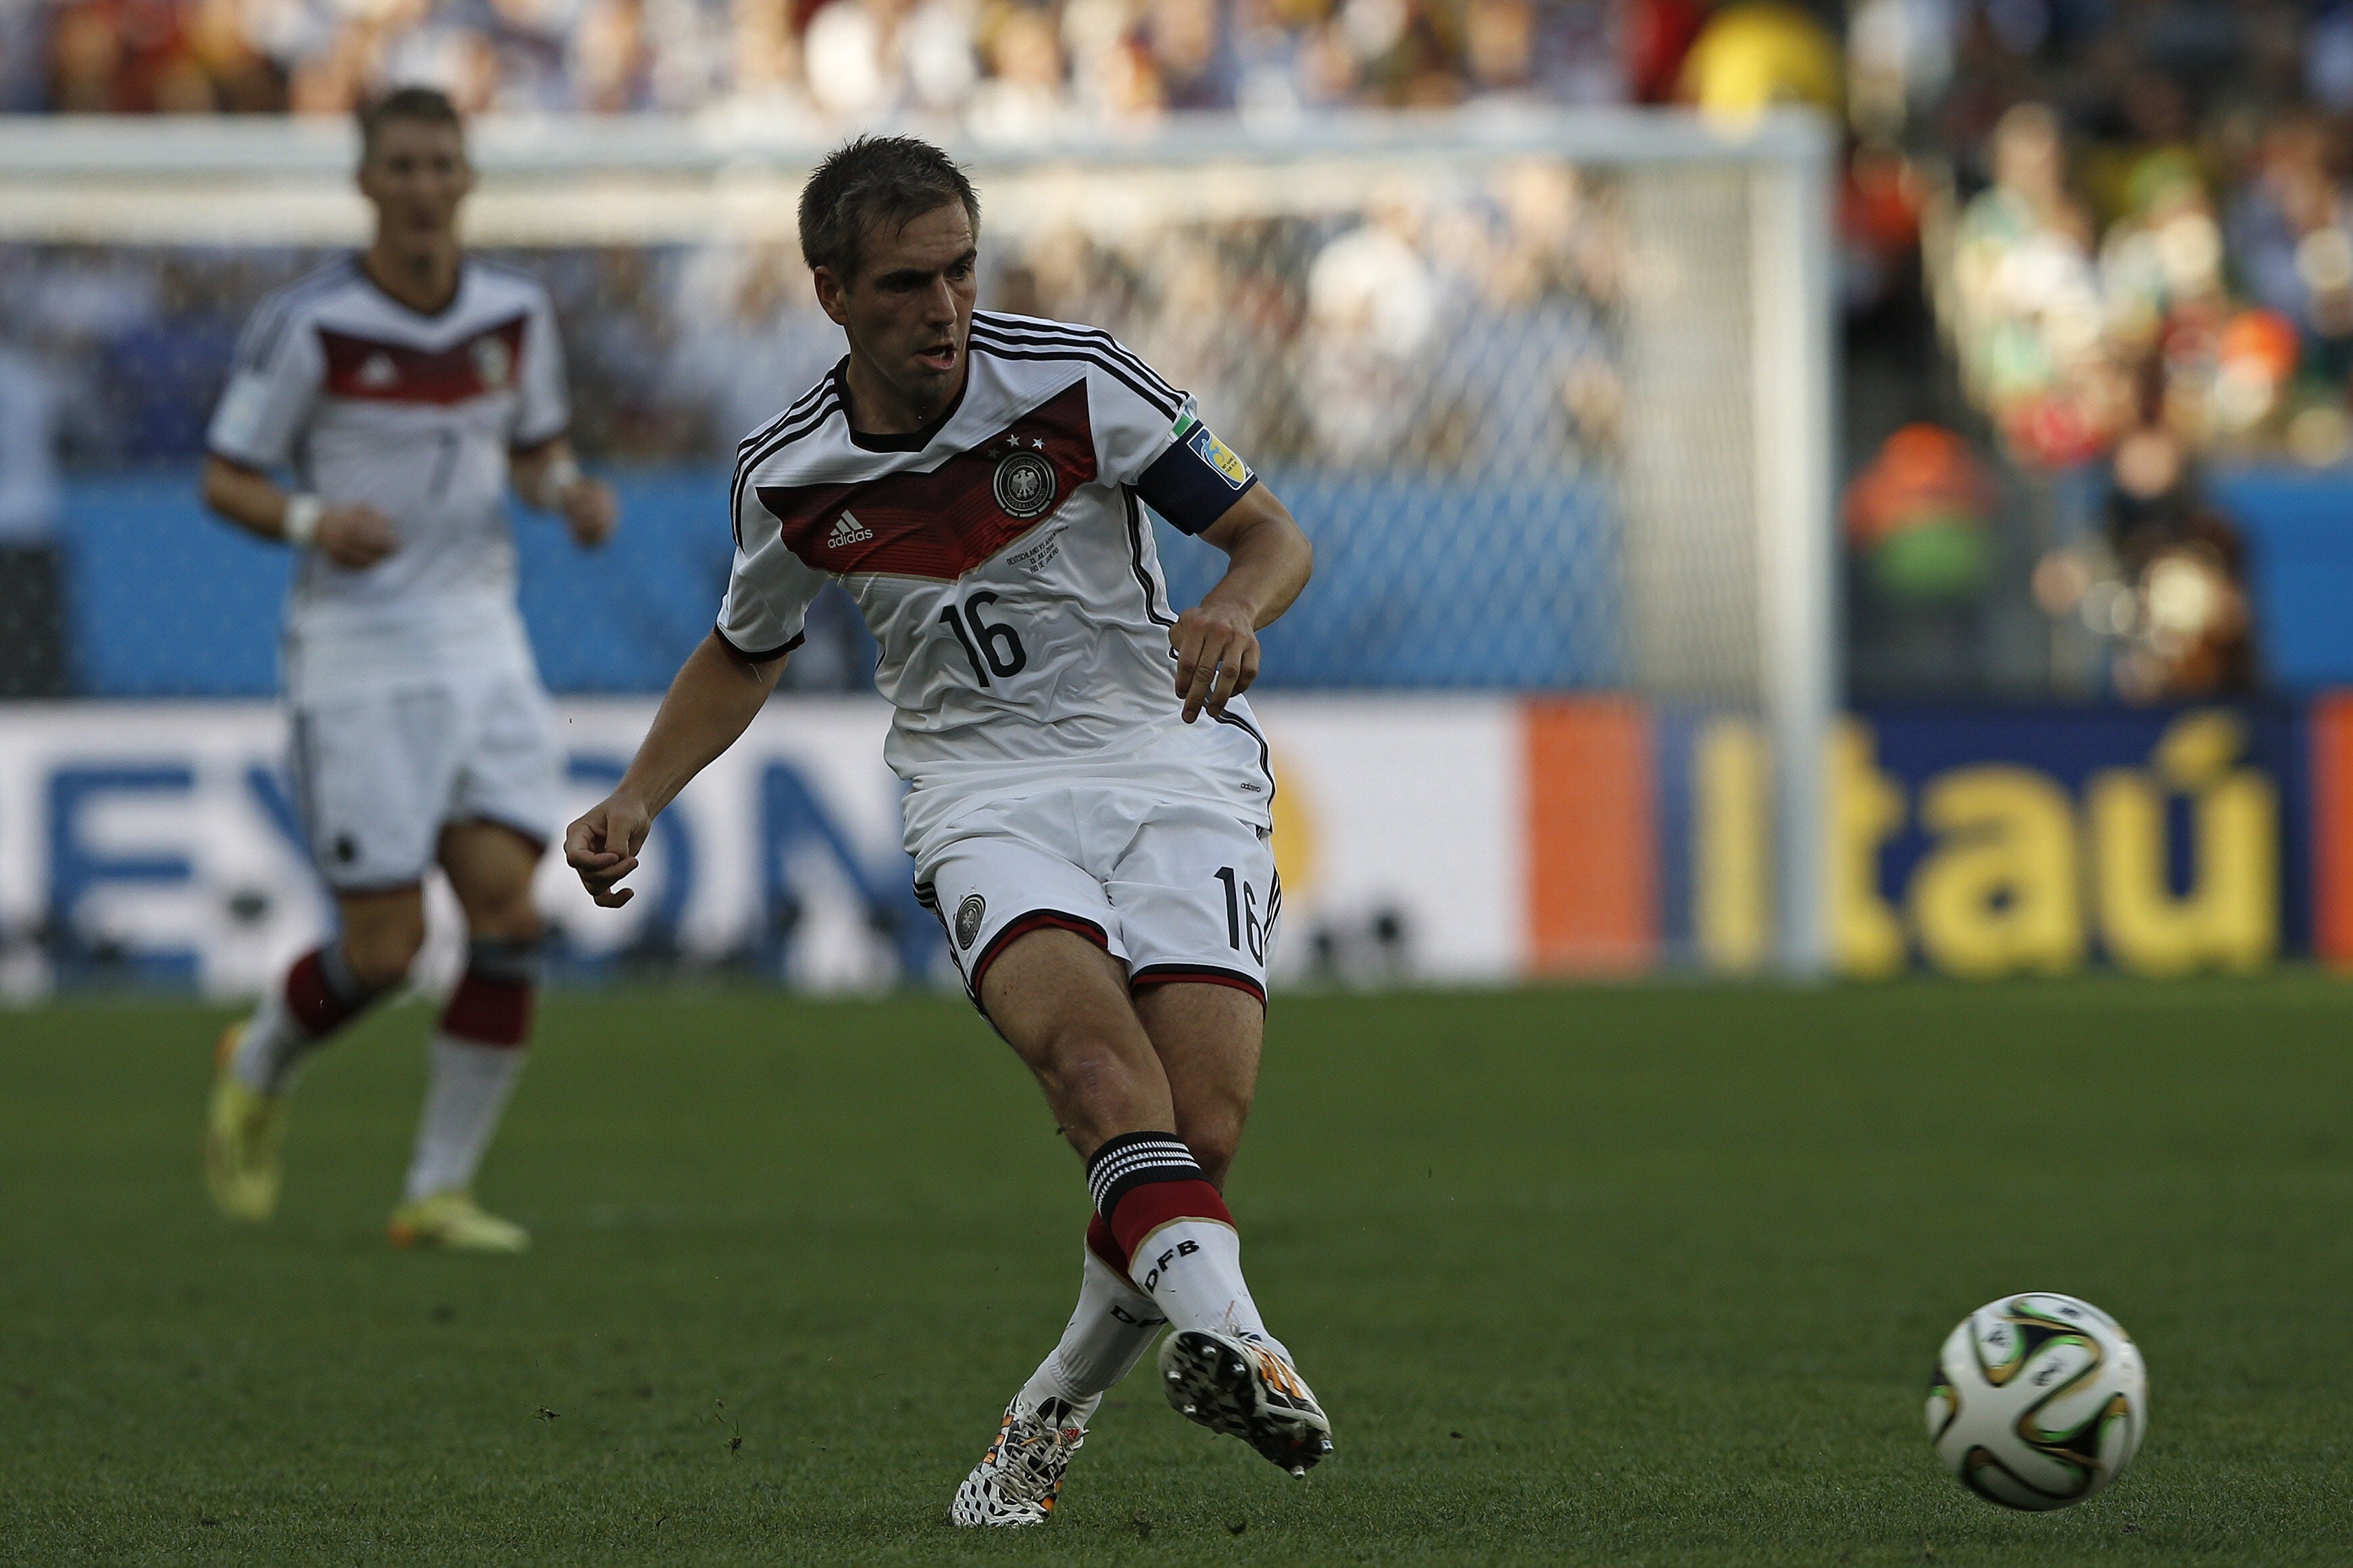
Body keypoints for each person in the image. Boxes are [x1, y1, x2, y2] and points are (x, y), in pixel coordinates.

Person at [563, 134, 1327, 1523]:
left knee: (1194, 1142)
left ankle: (1040, 1427)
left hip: (1168, 762)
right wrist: (636, 797)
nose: (945, 307)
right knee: (1101, 1083)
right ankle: (1254, 1349)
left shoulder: (1079, 382)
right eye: (908, 281)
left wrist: (1229, 605)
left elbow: (1273, 535)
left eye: (962, 270)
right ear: (831, 294)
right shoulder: (790, 475)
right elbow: (744, 649)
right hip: (979, 797)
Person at [198, 86, 618, 1252]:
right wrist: (310, 523)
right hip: (358, 653)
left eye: (445, 163)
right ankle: (261, 1055)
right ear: (368, 183)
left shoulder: (515, 314)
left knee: (503, 910)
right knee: (386, 950)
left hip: (483, 641)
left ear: (468, 178)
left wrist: (567, 494)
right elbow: (225, 475)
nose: (427, 185)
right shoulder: (312, 323)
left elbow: (533, 454)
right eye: (406, 165)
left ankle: (435, 1191)